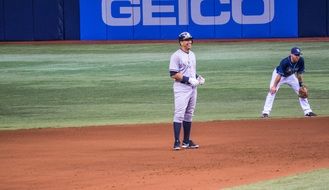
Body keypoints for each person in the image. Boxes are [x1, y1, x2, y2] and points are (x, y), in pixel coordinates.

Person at [169, 32, 205, 150]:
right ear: (181, 42)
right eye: (186, 40)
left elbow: (190, 71)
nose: (189, 42)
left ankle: (186, 141)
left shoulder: (192, 54)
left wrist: (197, 77)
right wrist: (188, 79)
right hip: (181, 88)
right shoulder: (176, 56)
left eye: (190, 40)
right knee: (179, 114)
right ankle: (176, 141)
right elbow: (173, 74)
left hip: (192, 88)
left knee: (189, 114)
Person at [261, 47, 317, 118]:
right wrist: (274, 86)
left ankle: (308, 111)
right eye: (296, 55)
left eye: (299, 55)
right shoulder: (285, 62)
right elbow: (279, 75)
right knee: (272, 91)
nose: (298, 56)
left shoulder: (301, 60)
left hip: (290, 76)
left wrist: (301, 85)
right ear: (291, 54)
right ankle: (265, 112)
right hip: (279, 76)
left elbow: (299, 74)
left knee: (301, 91)